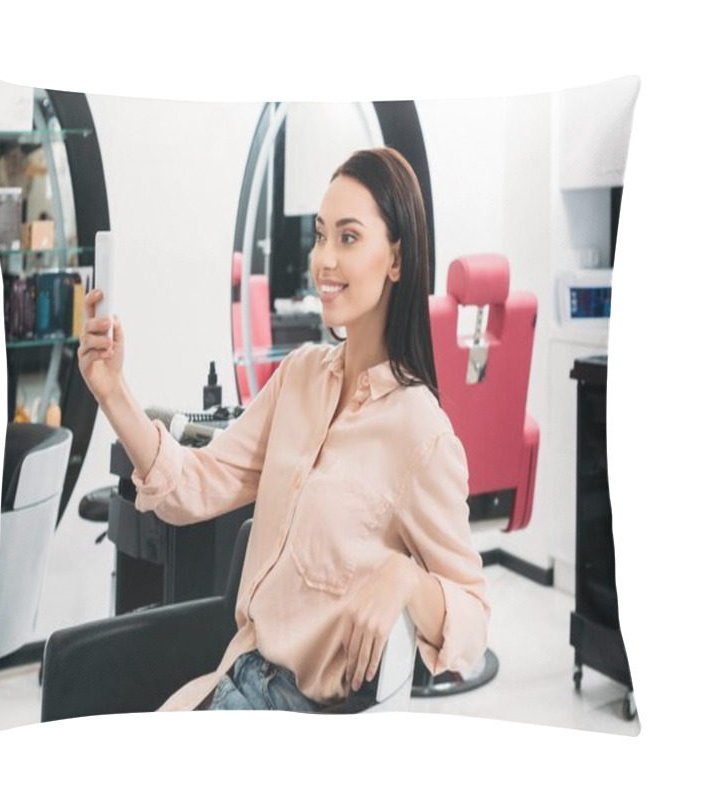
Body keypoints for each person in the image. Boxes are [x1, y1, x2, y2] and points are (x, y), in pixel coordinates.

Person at [77, 147, 489, 712]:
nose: (324, 259)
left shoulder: (422, 433)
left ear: (396, 258)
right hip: (232, 674)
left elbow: (473, 617)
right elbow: (195, 484)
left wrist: (406, 580)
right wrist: (113, 392)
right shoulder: (299, 376)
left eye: (348, 238)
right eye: (321, 236)